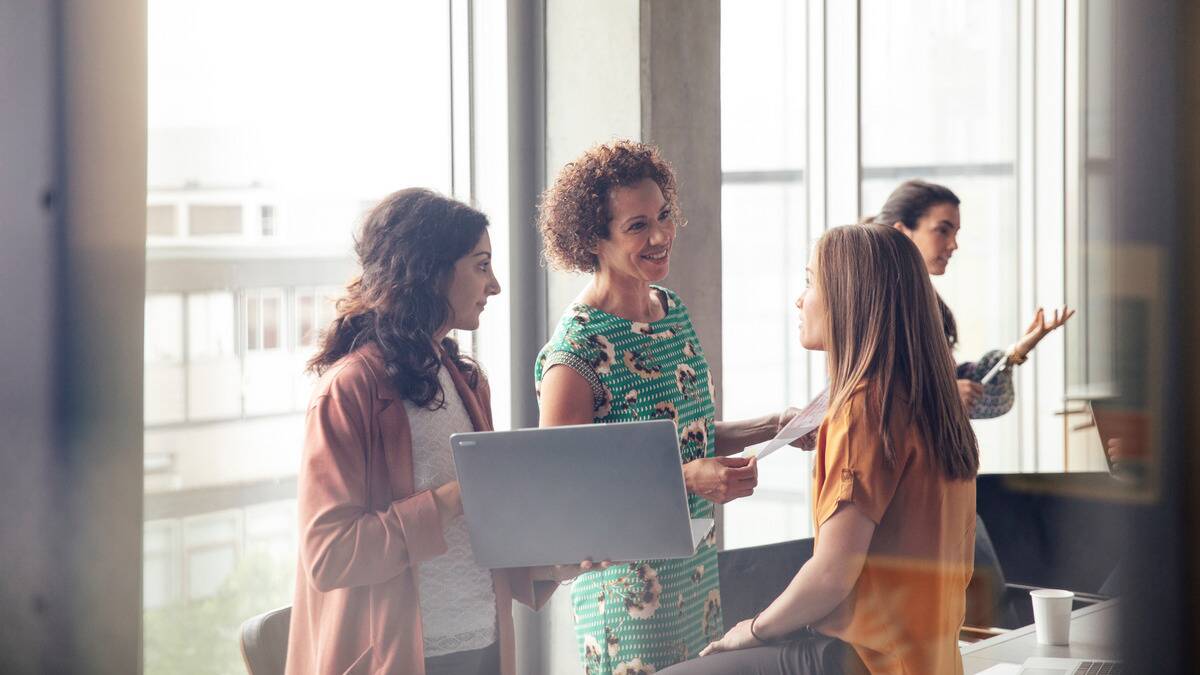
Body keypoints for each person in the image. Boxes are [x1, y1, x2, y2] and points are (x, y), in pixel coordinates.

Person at [286, 188, 594, 675]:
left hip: (483, 650)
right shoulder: (348, 390)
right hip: (397, 661)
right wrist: (455, 496)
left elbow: (483, 537)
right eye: (480, 264)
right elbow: (330, 555)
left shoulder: (466, 379)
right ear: (428, 272)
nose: (494, 286)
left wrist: (560, 562)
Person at [660, 224, 980, 675]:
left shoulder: (864, 406)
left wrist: (750, 631)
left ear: (850, 299)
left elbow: (831, 575)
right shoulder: (928, 402)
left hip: (862, 660)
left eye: (810, 282)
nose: (799, 299)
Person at [535, 140, 783, 674]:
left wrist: (773, 426)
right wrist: (690, 479)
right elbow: (564, 488)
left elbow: (687, 435)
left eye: (664, 215)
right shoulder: (574, 351)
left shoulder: (672, 312)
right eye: (637, 226)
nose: (661, 236)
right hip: (628, 594)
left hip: (695, 574)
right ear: (591, 239)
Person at [868, 179, 1074, 419]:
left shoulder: (921, 298)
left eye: (955, 233)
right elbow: (869, 394)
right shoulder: (872, 301)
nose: (953, 245)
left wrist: (1018, 350)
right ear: (902, 231)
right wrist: (941, 396)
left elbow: (950, 381)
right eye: (942, 230)